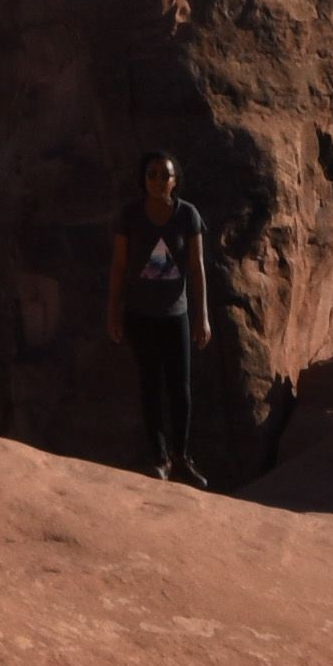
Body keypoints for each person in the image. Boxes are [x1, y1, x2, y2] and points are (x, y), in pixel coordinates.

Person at [109, 151, 218, 486]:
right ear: (144, 179)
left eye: (164, 175)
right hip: (140, 314)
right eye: (152, 174)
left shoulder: (187, 215)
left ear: (175, 180)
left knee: (180, 388)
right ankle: (159, 459)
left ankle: (182, 457)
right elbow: (119, 266)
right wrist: (112, 311)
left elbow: (197, 269)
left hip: (176, 314)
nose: (157, 181)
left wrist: (202, 316)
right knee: (150, 386)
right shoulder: (130, 215)